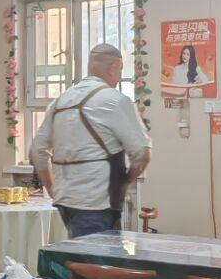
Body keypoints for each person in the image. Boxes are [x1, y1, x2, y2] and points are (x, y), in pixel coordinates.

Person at [30, 44, 153, 238]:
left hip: (65, 201)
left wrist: (52, 188)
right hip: (98, 202)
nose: (119, 76)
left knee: (81, 253)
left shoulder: (59, 102)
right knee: (99, 256)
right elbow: (142, 152)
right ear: (113, 68)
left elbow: (37, 150)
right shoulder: (115, 100)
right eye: (120, 70)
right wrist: (126, 182)